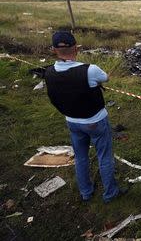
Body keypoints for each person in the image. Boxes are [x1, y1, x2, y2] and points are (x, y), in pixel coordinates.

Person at [44, 31, 126, 203]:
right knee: (104, 156)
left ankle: (86, 192)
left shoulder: (49, 72)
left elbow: (54, 98)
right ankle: (110, 193)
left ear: (54, 50)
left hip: (72, 121)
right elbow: (106, 78)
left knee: (80, 158)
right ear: (76, 48)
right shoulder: (90, 70)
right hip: (95, 120)